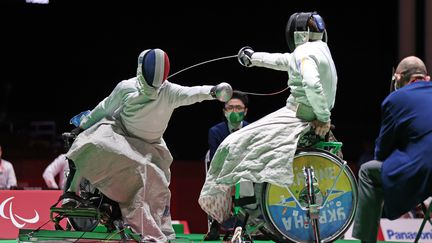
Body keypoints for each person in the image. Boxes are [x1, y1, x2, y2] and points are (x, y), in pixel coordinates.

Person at [64, 48, 232, 242]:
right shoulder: (126, 87)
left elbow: (193, 93)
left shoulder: (169, 91)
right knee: (90, 141)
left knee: (155, 185)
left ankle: (141, 225)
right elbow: (105, 107)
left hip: (151, 148)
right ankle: (71, 191)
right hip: (120, 136)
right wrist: (82, 126)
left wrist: (213, 91)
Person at [199, 11, 338, 226]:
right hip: (301, 114)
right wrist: (252, 58)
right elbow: (281, 60)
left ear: (298, 34)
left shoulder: (304, 53)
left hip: (297, 117)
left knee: (232, 143)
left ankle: (225, 209)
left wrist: (323, 117)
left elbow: (312, 84)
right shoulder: (321, 50)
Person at [352, 56, 432, 243]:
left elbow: (382, 152)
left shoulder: (395, 98)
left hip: (424, 170)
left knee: (368, 171)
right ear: (425, 77)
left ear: (399, 78)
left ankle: (365, 240)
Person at [204, 90, 250, 240]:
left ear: (245, 111)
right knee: (217, 183)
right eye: (230, 108)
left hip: (246, 171)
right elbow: (215, 160)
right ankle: (216, 224)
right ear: (224, 112)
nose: (234, 111)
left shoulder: (252, 130)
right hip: (223, 171)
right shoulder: (215, 131)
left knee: (246, 183)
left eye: (238, 108)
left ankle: (241, 226)